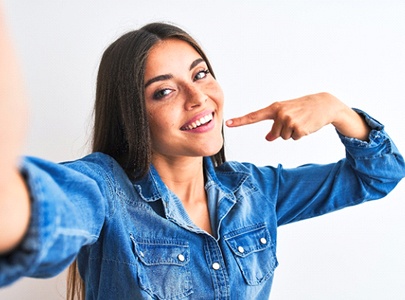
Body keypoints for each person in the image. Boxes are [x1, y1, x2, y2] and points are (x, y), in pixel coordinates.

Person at [1, 12, 404, 300]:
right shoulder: (102, 189)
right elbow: (37, 215)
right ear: (132, 115)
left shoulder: (255, 191)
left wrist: (337, 110)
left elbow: (378, 176)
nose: (199, 98)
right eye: (164, 91)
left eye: (200, 74)